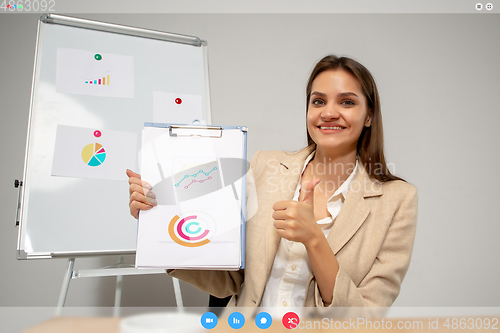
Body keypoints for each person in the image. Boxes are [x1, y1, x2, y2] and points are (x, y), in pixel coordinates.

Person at [127, 54, 417, 307]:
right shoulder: (265, 166)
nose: (329, 112)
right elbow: (230, 278)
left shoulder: (397, 200)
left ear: (369, 116)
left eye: (347, 102)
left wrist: (314, 239)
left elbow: (364, 315)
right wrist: (159, 223)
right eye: (318, 101)